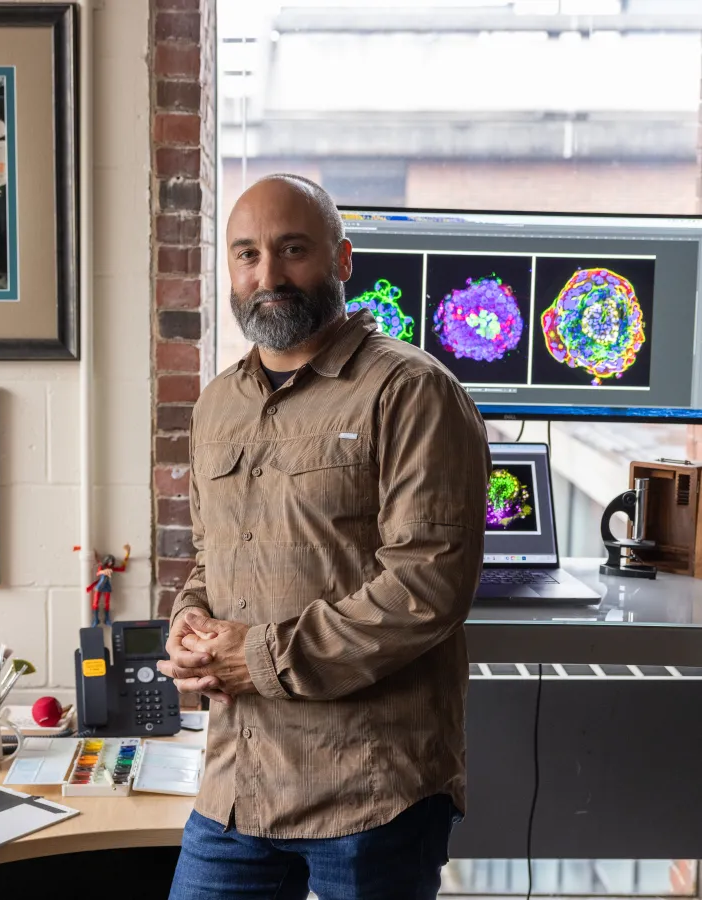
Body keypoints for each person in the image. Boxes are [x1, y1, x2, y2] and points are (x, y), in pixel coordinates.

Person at [158, 174, 491, 900]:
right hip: (236, 788)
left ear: (342, 260)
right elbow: (215, 557)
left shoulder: (411, 392)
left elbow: (427, 587)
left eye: (292, 249)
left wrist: (262, 660)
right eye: (246, 255)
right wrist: (188, 621)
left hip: (371, 794)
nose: (267, 275)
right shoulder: (219, 405)